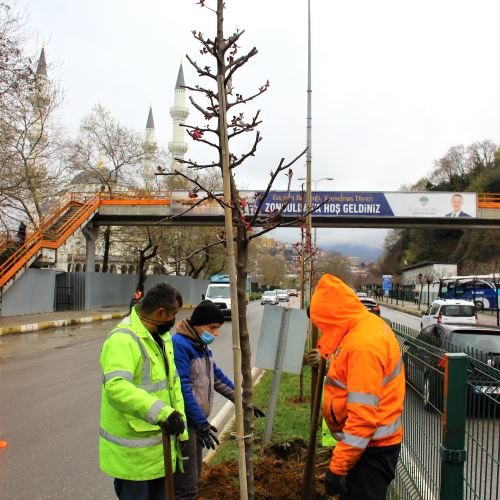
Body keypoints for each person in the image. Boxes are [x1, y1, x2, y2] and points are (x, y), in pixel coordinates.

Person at [309, 274, 405, 500]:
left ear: (333, 316)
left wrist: (338, 466)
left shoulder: (362, 346)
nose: (322, 329)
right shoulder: (362, 328)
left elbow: (362, 419)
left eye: (323, 323)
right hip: (366, 447)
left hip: (370, 451)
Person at [99, 282, 189, 500]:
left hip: (161, 452)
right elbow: (117, 387)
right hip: (134, 460)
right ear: (161, 312)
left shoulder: (162, 338)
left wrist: (182, 430)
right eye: (173, 314)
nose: (174, 320)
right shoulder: (123, 339)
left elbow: (172, 385)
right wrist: (163, 413)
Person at [172, 300, 264, 499]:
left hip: (196, 425)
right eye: (212, 327)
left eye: (218, 329)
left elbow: (218, 379)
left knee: (194, 479)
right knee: (185, 487)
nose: (215, 333)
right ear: (197, 325)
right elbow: (182, 389)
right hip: (186, 425)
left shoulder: (201, 346)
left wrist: (243, 402)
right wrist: (201, 422)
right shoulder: (180, 346)